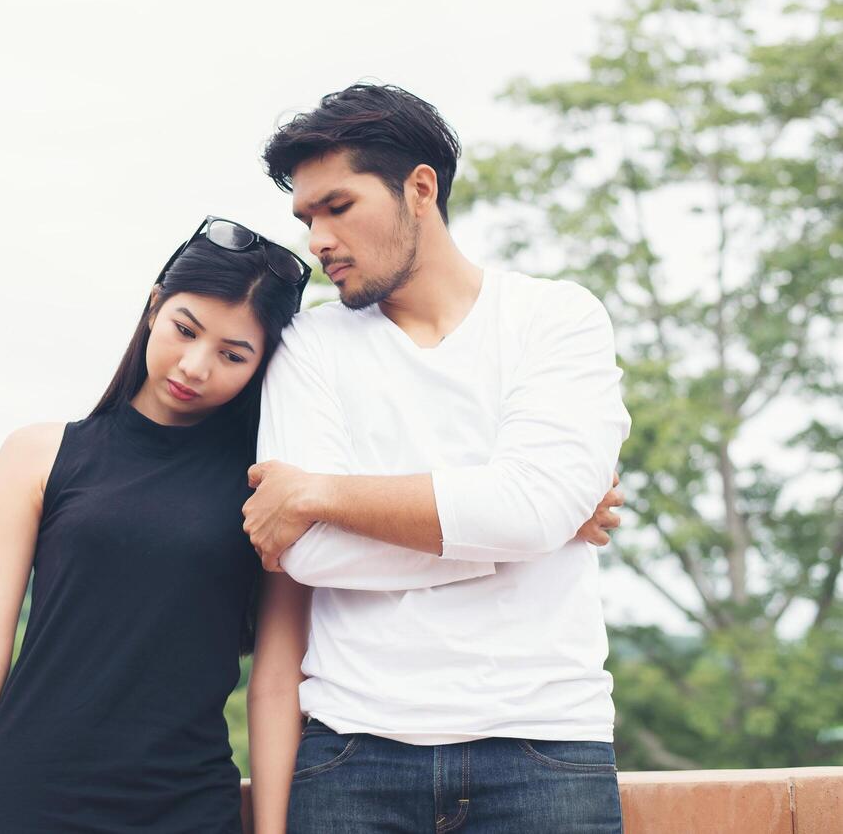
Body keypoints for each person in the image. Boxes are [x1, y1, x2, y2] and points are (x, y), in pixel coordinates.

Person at [0, 210, 623, 834]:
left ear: (261, 366)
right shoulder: (38, 455)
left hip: (184, 804)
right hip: (23, 795)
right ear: (153, 308)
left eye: (233, 355)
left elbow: (276, 676)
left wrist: (544, 508)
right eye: (183, 329)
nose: (195, 366)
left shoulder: (268, 487)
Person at [244, 83, 632, 833]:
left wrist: (321, 492)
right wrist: (528, 528)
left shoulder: (556, 319)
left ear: (419, 188)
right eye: (306, 217)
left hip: (545, 742)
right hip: (352, 750)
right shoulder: (310, 344)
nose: (316, 239)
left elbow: (525, 511)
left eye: (337, 206)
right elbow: (310, 555)